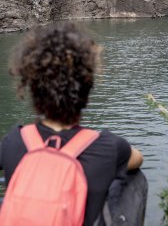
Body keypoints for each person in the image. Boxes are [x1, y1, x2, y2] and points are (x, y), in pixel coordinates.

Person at [0, 22, 144, 225]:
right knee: (135, 178)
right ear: (86, 89)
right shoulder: (108, 147)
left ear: (32, 88)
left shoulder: (13, 141)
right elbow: (138, 159)